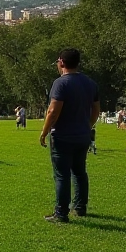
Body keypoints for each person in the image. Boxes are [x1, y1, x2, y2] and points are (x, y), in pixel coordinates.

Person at [40, 48, 100, 223]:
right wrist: (87, 126)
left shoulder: (61, 83)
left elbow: (53, 111)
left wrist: (44, 132)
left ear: (62, 62)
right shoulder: (91, 83)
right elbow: (96, 110)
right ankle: (80, 207)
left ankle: (61, 213)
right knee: (80, 172)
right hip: (82, 135)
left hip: (62, 136)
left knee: (62, 175)